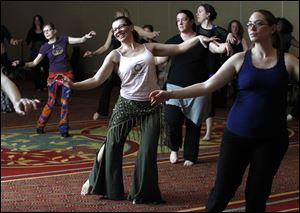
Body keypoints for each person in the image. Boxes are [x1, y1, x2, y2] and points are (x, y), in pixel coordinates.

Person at [150, 9, 299, 212]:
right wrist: (170, 95)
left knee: (258, 193)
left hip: (271, 139)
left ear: (273, 28)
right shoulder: (239, 59)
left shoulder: (288, 61)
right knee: (222, 192)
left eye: (258, 23)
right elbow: (206, 86)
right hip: (236, 137)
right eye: (249, 24)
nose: (252, 28)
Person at [63, 16, 215, 204]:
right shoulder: (115, 55)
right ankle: (104, 186)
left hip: (151, 104)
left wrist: (199, 39)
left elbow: (178, 49)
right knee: (112, 145)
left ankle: (143, 194)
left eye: (121, 27)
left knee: (147, 150)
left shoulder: (148, 48)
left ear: (130, 28)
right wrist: (74, 85)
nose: (118, 31)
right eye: (114, 29)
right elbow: (96, 80)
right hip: (126, 104)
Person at [155, 10, 231, 166]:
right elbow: (160, 59)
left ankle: (190, 155)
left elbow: (216, 48)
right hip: (173, 88)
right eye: (178, 20)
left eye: (184, 20)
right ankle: (174, 148)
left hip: (197, 89)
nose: (180, 23)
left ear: (191, 22)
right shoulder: (173, 41)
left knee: (194, 124)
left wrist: (223, 46)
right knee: (172, 120)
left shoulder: (202, 39)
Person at [12, 23, 96, 137]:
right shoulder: (44, 47)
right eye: (44, 31)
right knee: (51, 102)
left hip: (67, 75)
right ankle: (40, 124)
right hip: (53, 77)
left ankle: (64, 128)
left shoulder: (63, 39)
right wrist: (21, 63)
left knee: (64, 102)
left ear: (54, 31)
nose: (46, 33)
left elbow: (80, 40)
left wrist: (86, 37)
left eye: (48, 30)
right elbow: (34, 63)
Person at [83, 8, 160, 120]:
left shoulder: (132, 27)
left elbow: (145, 34)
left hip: (129, 64)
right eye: (115, 15)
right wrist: (93, 53)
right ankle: (102, 112)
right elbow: (105, 46)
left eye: (118, 15)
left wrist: (152, 34)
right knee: (107, 86)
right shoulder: (112, 31)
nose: (116, 17)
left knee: (131, 88)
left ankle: (140, 111)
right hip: (116, 63)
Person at [195, 3, 233, 141]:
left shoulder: (219, 31)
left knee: (209, 101)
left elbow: (229, 39)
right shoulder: (196, 29)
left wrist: (229, 39)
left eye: (200, 11)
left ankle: (208, 132)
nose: (197, 14)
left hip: (211, 68)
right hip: (196, 67)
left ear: (208, 14)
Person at [275, 17, 299, 121]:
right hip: (270, 61)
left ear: (285, 26)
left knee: (281, 87)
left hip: (284, 62)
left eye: (280, 24)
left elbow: (298, 45)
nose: (278, 25)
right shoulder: (271, 36)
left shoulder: (287, 37)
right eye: (276, 24)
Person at [1, 25, 22, 113]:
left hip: (2, 57)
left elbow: (10, 39)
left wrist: (15, 42)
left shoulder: (1, 28)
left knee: (4, 79)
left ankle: (7, 105)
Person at [25, 15, 49, 92]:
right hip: (35, 53)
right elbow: (27, 41)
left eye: (38, 20)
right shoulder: (31, 31)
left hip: (44, 53)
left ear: (41, 21)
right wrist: (21, 41)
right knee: (36, 70)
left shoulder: (45, 30)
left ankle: (45, 85)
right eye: (35, 20)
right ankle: (38, 86)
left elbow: (49, 39)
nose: (37, 21)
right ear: (34, 22)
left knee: (46, 69)